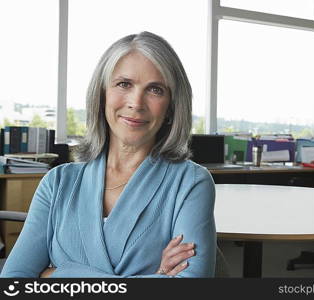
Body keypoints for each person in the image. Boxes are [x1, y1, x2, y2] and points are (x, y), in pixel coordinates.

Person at [0, 32, 216, 278]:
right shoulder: (57, 182)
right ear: (102, 95)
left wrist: (57, 275)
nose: (136, 102)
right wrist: (157, 278)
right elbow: (13, 281)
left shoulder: (190, 182)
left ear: (171, 107)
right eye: (124, 84)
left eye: (155, 89)